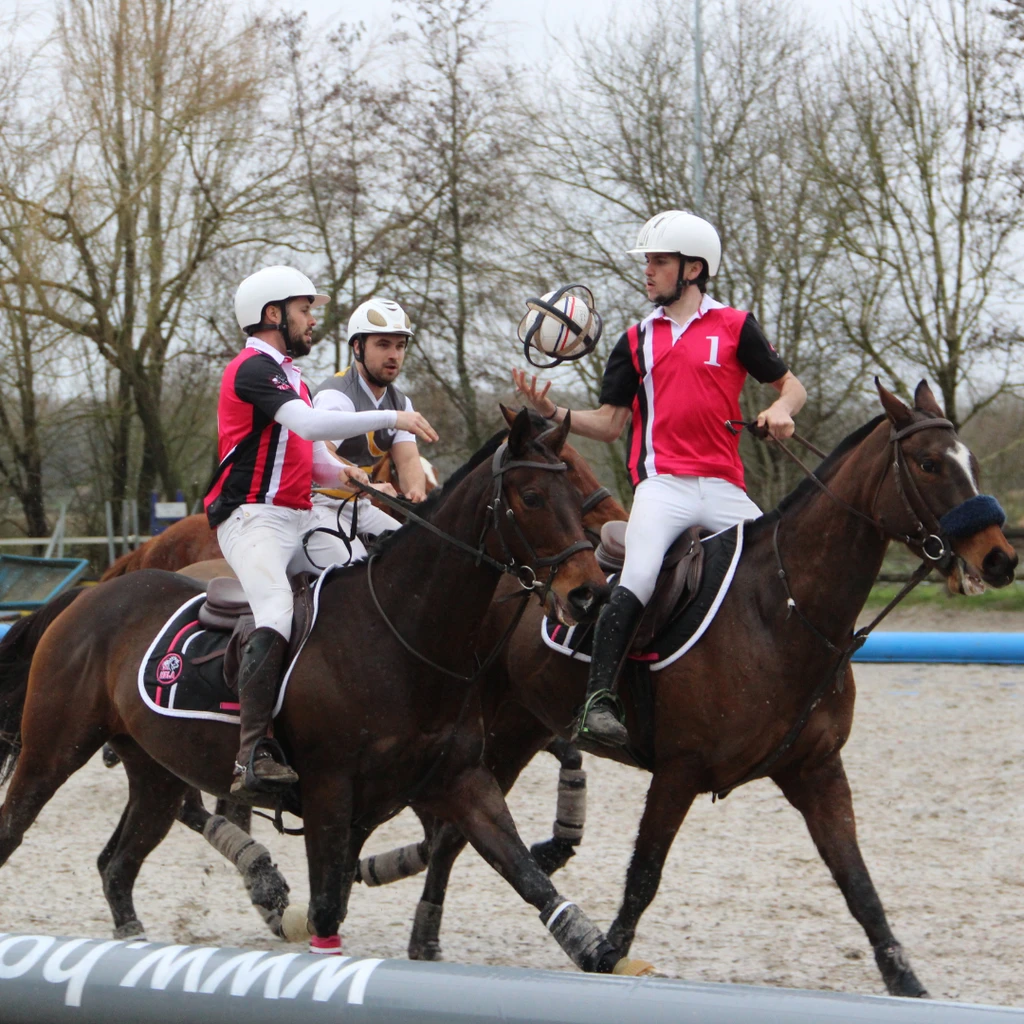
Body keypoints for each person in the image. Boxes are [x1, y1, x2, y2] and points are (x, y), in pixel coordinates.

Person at [513, 210, 807, 747]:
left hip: (724, 488)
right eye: (647, 261)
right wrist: (554, 413)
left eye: (659, 261)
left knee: (781, 572)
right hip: (662, 488)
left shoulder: (737, 327)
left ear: (693, 268)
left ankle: (797, 689)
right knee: (640, 577)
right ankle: (599, 701)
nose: (648, 271)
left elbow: (792, 386)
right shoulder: (634, 340)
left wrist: (783, 409)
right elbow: (609, 425)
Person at [205, 266, 438, 796]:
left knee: (360, 589)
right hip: (251, 519)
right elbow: (311, 427)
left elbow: (312, 457)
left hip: (299, 516)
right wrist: (396, 422)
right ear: (273, 314)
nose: (313, 321)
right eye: (305, 310)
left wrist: (349, 474)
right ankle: (251, 752)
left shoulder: (293, 377)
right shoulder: (250, 369)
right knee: (277, 611)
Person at [308, 298, 429, 556]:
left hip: (359, 507)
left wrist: (416, 491)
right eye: (383, 345)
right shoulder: (336, 396)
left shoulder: (401, 402)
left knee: (418, 553)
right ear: (358, 347)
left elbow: (408, 461)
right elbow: (320, 455)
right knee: (355, 564)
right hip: (317, 506)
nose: (394, 355)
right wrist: (370, 487)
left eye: (400, 346)